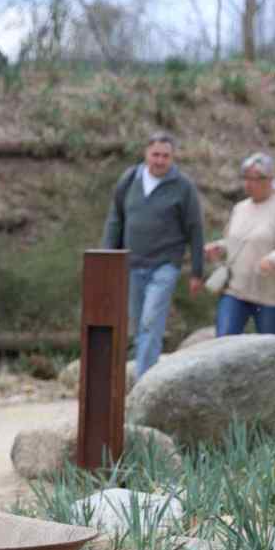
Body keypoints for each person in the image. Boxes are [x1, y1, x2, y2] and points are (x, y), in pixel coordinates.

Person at [100, 132, 206, 376]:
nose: (160, 160)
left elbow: (195, 229)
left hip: (164, 265)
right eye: (155, 154)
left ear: (172, 158)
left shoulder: (183, 187)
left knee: (150, 323)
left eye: (165, 156)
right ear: (146, 154)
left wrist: (197, 271)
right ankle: (146, 374)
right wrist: (107, 258)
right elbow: (115, 219)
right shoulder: (130, 179)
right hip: (132, 264)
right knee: (138, 325)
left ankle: (143, 382)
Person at [206, 152, 275, 336]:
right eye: (246, 178)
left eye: (255, 179)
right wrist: (220, 247)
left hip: (271, 296)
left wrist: (274, 259)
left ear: (269, 180)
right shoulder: (240, 208)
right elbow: (235, 241)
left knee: (269, 346)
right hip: (236, 290)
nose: (249, 184)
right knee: (223, 340)